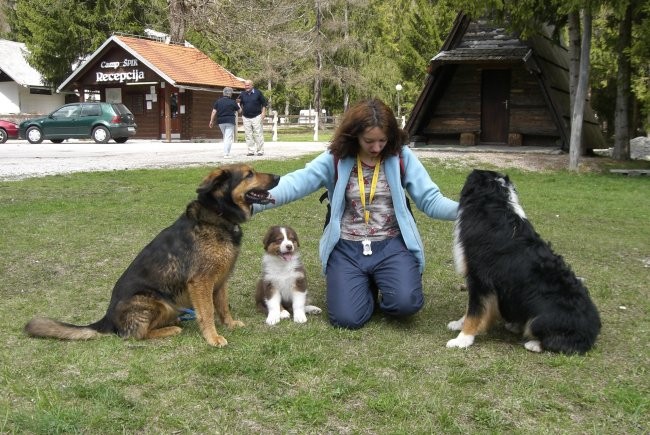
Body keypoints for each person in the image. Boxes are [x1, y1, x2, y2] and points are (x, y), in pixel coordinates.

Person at [254, 98, 458, 329]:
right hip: (347, 247)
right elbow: (295, 184)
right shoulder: (336, 158)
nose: (377, 147)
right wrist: (253, 202)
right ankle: (365, 283)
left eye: (383, 140)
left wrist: (467, 210)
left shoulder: (400, 157)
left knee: (405, 304)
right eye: (369, 141)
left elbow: (431, 200)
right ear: (353, 136)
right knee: (347, 319)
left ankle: (383, 278)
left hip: (391, 244)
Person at [237, 79, 268, 156]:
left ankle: (260, 151)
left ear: (252, 85)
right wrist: (239, 107)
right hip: (246, 117)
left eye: (248, 85)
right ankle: (251, 151)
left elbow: (264, 103)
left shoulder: (258, 93)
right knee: (248, 134)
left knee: (258, 133)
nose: (246, 87)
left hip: (257, 116)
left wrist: (263, 112)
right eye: (245, 85)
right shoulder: (242, 94)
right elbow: (238, 102)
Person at [209, 87, 239, 158]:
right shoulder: (232, 102)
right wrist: (238, 104)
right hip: (230, 121)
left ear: (223, 93)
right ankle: (226, 154)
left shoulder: (218, 101)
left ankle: (226, 152)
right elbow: (239, 111)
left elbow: (214, 112)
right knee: (228, 137)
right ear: (230, 94)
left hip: (221, 121)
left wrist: (211, 121)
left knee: (225, 136)